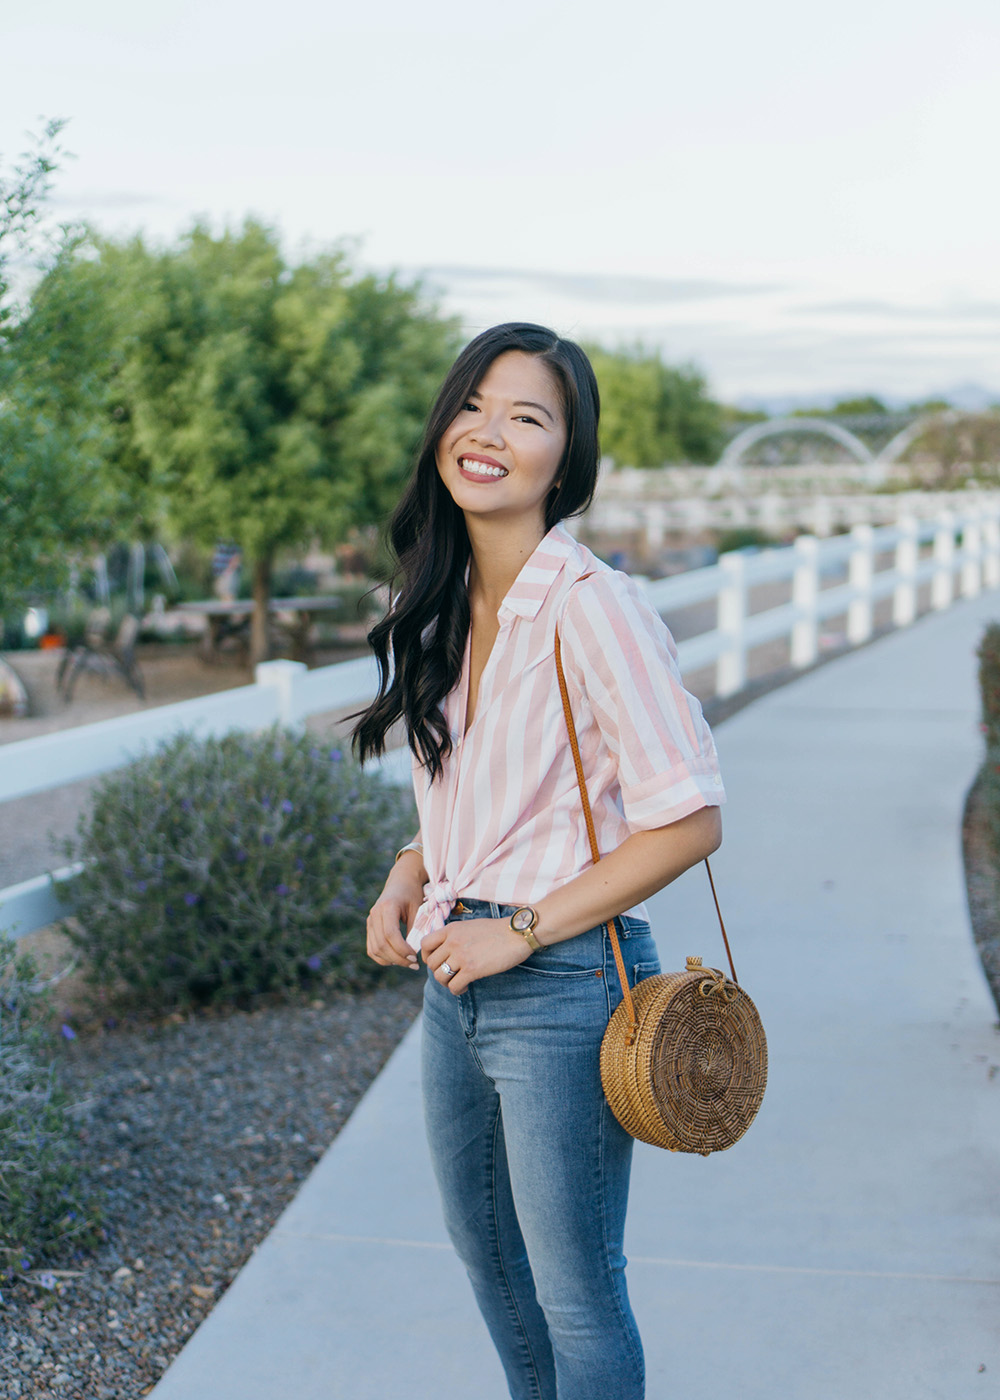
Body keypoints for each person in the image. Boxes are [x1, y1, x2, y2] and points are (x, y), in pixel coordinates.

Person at [353, 323, 725, 1400]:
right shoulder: (431, 598)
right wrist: (408, 871)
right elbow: (484, 800)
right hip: (452, 973)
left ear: (566, 458)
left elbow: (688, 817)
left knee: (576, 1289)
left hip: (561, 982)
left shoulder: (592, 607)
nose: (488, 432)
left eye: (526, 416)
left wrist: (516, 927)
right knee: (491, 1263)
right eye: (473, 404)